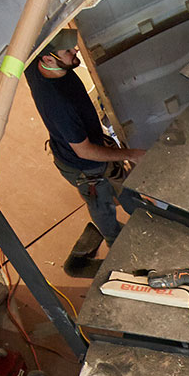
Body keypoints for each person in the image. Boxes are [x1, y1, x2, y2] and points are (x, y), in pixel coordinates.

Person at [26, 29, 144, 248]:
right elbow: (85, 151)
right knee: (101, 204)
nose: (76, 50)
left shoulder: (36, 66)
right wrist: (131, 154)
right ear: (48, 58)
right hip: (84, 167)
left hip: (81, 146)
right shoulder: (61, 105)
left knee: (122, 183)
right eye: (68, 50)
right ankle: (114, 240)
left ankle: (140, 212)